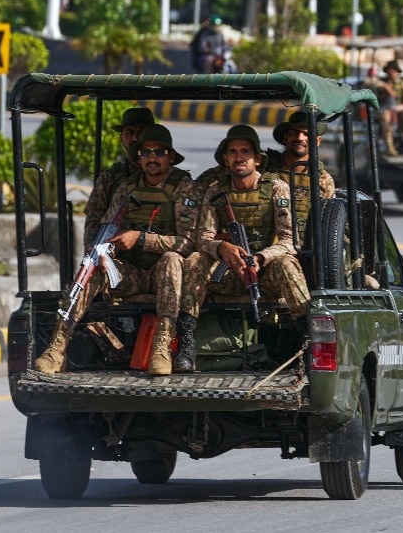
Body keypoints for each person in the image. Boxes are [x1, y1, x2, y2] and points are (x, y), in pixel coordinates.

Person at [34, 125, 204, 375]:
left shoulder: (185, 188)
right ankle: (57, 348)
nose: (152, 158)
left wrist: (142, 238)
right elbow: (108, 226)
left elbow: (188, 243)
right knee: (89, 271)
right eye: (145, 153)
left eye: (158, 152)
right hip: (131, 273)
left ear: (170, 156)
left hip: (166, 276)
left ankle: (161, 347)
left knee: (171, 259)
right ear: (138, 158)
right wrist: (104, 253)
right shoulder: (127, 188)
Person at [184, 125, 311, 325]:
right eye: (233, 152)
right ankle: (186, 333)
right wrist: (222, 248)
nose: (239, 157)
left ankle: (307, 331)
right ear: (226, 159)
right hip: (226, 271)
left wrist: (261, 257)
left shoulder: (276, 189)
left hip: (263, 272)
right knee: (194, 260)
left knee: (287, 264)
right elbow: (203, 238)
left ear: (257, 159)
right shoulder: (216, 191)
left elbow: (290, 241)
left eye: (246, 152)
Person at [82, 106, 155, 244]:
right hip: (118, 253)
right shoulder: (110, 178)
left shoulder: (168, 176)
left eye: (140, 132)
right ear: (121, 138)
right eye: (129, 132)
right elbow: (94, 220)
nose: (135, 138)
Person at [268, 111, 336, 239]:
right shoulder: (265, 170)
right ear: (285, 137)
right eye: (294, 133)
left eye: (306, 134)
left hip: (306, 249)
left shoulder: (323, 180)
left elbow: (327, 224)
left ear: (317, 141)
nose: (300, 138)